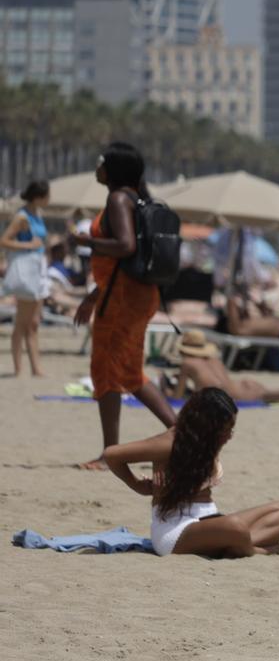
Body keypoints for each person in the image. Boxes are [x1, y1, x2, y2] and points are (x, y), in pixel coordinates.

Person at [71, 143, 177, 469]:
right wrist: (93, 297)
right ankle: (183, 434)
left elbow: (125, 247)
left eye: (102, 162)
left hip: (122, 298)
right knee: (131, 373)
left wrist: (85, 241)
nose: (97, 166)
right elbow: (122, 261)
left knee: (105, 372)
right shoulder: (135, 198)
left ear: (113, 170)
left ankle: (109, 454)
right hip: (132, 294)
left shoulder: (118, 199)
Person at [101, 388, 279, 557]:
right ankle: (255, 550)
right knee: (235, 527)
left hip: (209, 519)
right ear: (207, 426)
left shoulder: (206, 441)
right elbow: (112, 455)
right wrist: (138, 486)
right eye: (225, 430)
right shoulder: (170, 443)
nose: (229, 435)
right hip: (175, 530)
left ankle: (236, 544)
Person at [162, 329, 279, 404]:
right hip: (242, 385)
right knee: (269, 394)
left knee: (269, 397)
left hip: (233, 395)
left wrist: (166, 388)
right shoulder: (213, 359)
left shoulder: (187, 364)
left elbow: (177, 397)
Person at [1, 179, 50, 376]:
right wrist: (28, 246)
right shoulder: (22, 217)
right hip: (26, 273)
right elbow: (4, 240)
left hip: (37, 271)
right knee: (21, 323)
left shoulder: (37, 214)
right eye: (47, 195)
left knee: (33, 324)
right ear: (38, 196)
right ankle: (18, 368)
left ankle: (36, 369)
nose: (49, 199)